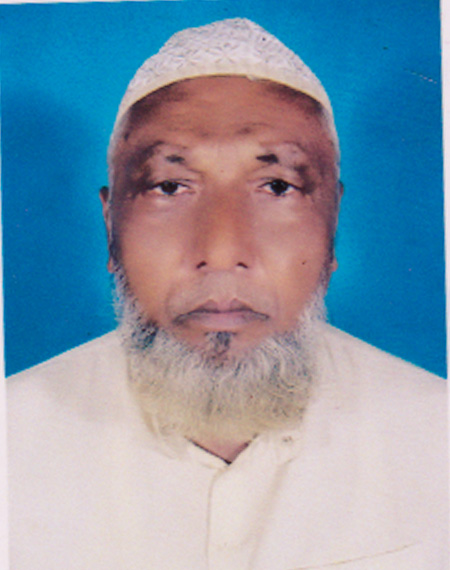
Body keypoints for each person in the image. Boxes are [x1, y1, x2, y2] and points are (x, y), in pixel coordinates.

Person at [7, 18, 447, 570]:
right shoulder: (11, 438)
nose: (220, 250)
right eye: (169, 186)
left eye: (277, 186)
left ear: (332, 222)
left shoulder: (437, 435)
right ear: (109, 224)